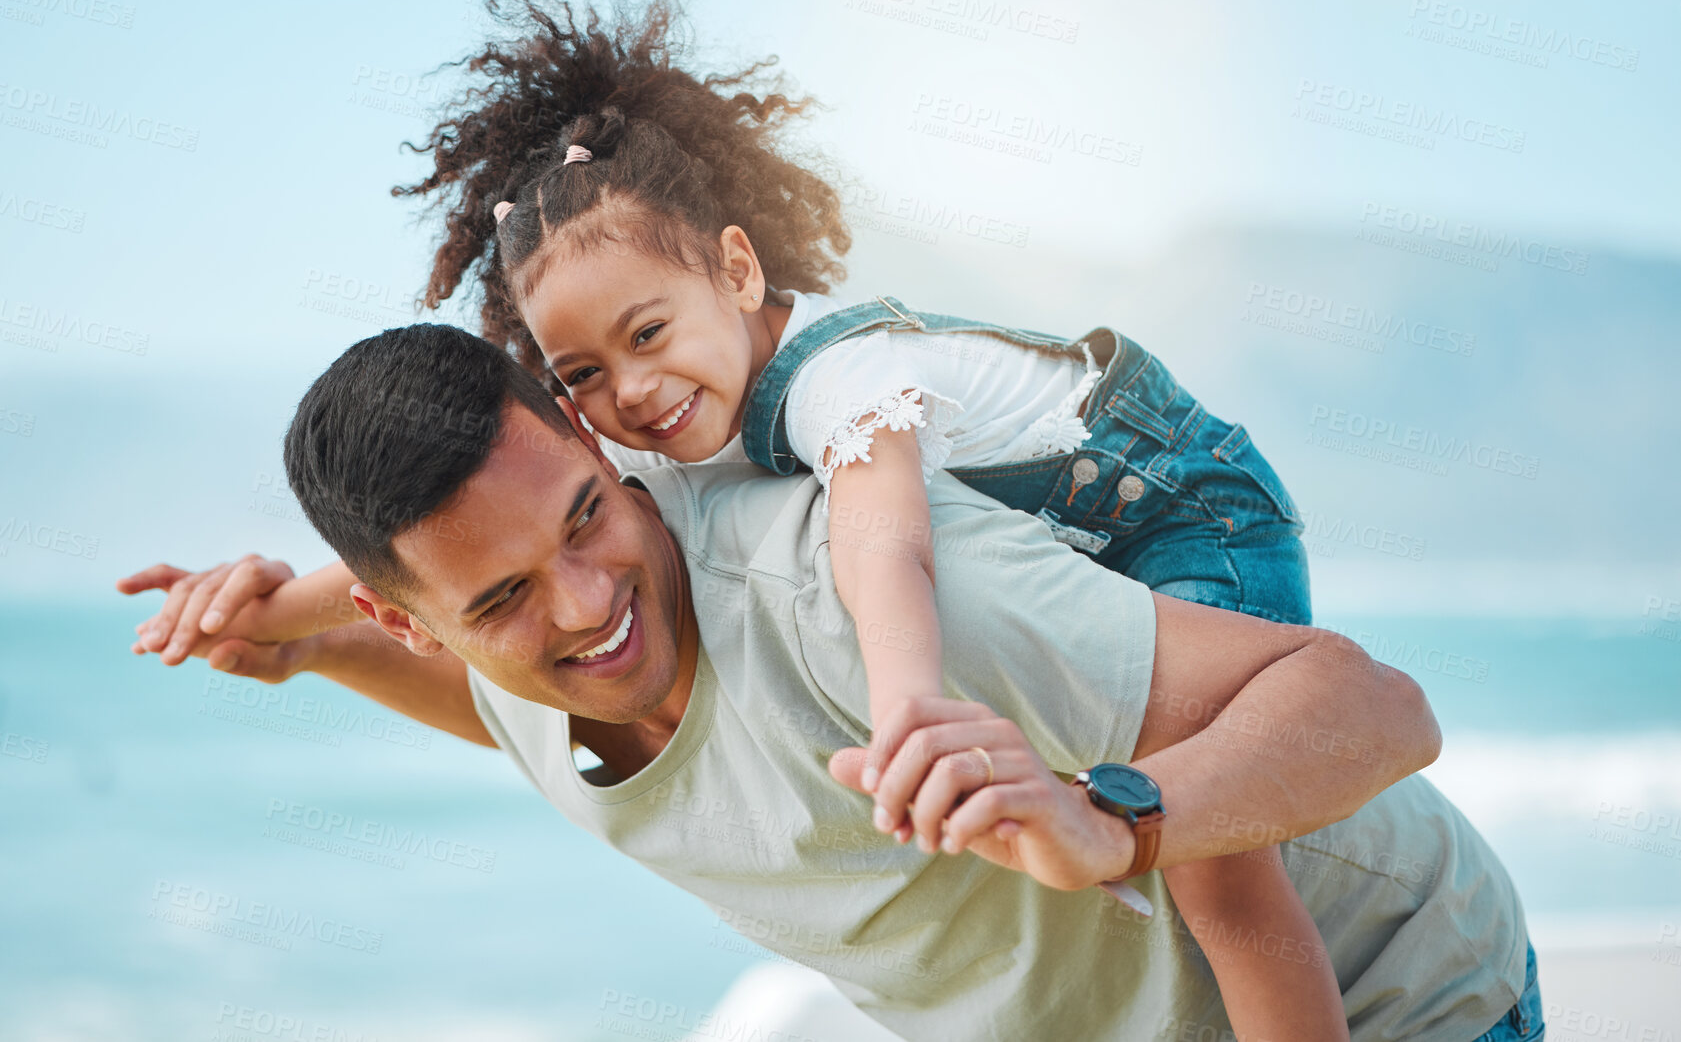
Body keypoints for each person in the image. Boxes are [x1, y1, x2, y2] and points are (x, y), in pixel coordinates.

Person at [125, 0, 1343, 1038]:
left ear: (741, 270)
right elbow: (470, 602)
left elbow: (888, 551)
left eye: (647, 335)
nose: (633, 395)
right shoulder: (654, 460)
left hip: (1180, 515)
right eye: (585, 376)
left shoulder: (833, 391)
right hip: (1089, 547)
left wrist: (909, 698)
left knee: (1220, 875)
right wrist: (281, 620)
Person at [126, 322, 1541, 1040]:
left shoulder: (836, 593)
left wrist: (1118, 816)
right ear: (412, 621)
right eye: (501, 599)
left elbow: (1374, 704)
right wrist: (306, 648)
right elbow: (548, 730)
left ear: (587, 434)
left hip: (1394, 998)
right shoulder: (523, 674)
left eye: (586, 519)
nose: (587, 603)